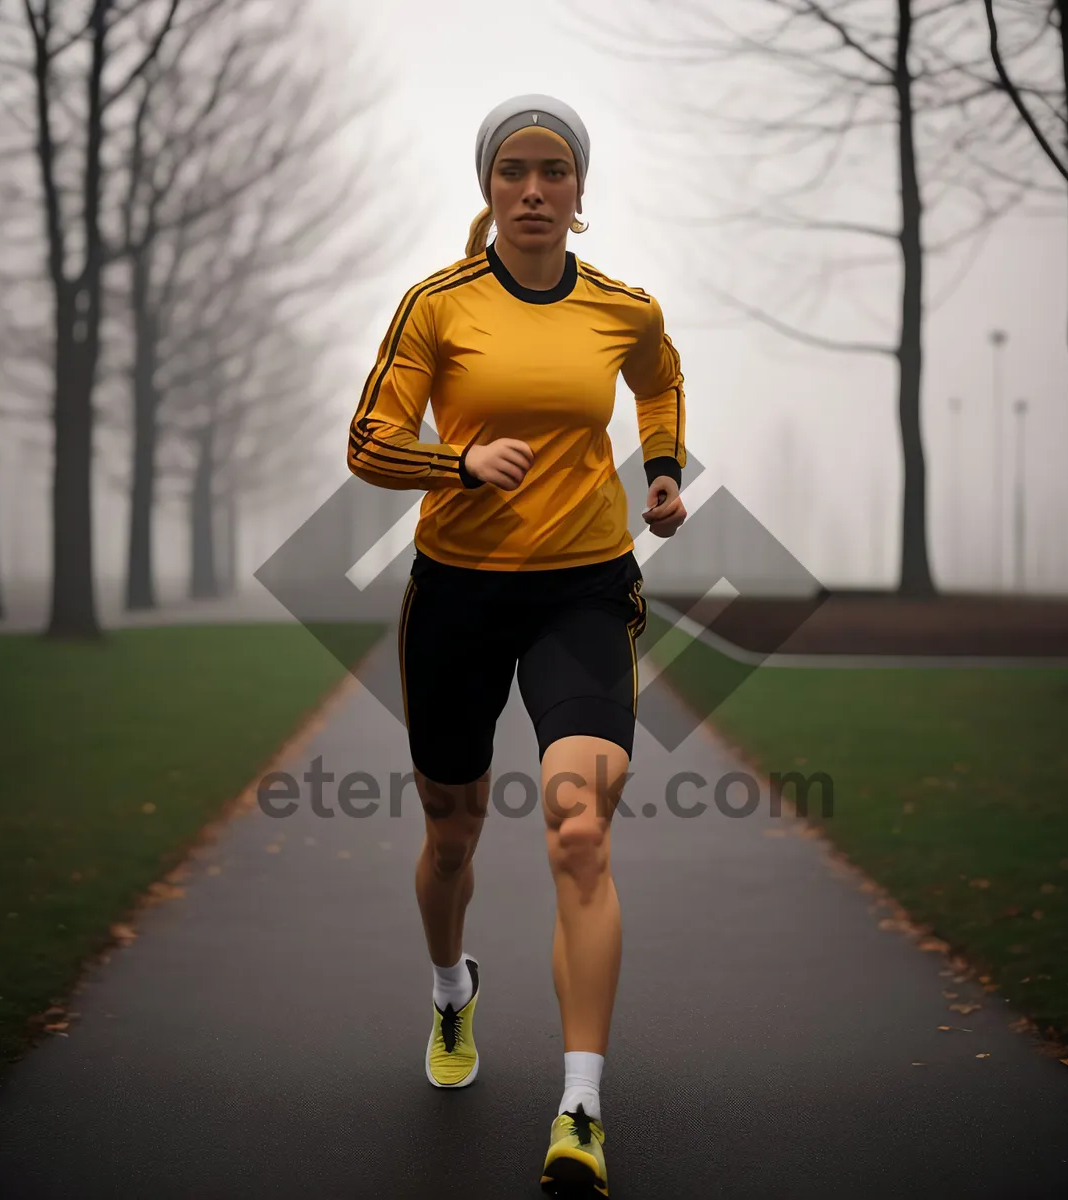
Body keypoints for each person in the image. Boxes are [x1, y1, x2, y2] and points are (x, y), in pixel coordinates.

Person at [346, 93, 687, 1197]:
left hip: (583, 594)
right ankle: (453, 988)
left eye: (553, 171)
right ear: (487, 186)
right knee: (453, 835)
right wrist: (457, 464)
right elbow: (368, 442)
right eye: (512, 171)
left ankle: (580, 1105)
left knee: (579, 832)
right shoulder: (436, 306)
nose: (533, 189)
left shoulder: (624, 308)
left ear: (580, 191)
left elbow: (659, 380)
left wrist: (667, 468)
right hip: (455, 596)